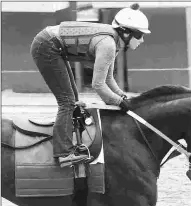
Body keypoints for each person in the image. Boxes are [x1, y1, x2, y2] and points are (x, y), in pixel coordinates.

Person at [30, 3, 151, 167]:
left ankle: (71, 140)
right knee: (67, 101)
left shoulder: (113, 43)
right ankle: (64, 154)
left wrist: (122, 96)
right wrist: (118, 102)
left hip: (53, 45)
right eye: (140, 35)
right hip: (46, 45)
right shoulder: (108, 44)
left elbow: (108, 80)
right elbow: (98, 85)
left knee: (73, 99)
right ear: (127, 33)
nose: (142, 40)